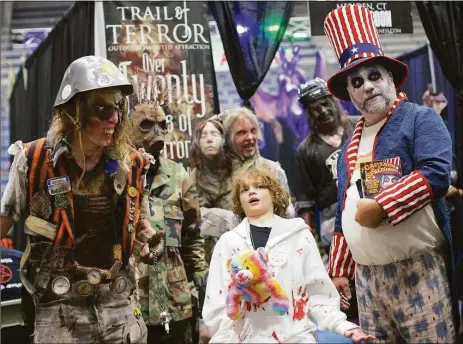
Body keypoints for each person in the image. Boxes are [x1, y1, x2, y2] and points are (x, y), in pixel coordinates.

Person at [0, 56, 163, 343]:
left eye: (117, 107)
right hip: (58, 304)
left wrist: (147, 238)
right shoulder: (34, 160)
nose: (113, 119)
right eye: (101, 109)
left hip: (119, 302)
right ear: (73, 112)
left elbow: (140, 224)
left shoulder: (134, 164)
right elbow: (3, 222)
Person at [324, 5, 459, 343]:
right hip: (367, 280)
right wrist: (339, 270)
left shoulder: (419, 119)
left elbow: (436, 174)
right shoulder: (347, 148)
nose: (367, 86)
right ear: (350, 94)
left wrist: (382, 206)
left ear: (389, 79)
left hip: (417, 270)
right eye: (357, 82)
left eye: (374, 76)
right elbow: (345, 211)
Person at [202, 168, 374, 343]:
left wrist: (344, 326)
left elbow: (318, 292)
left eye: (259, 186)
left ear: (274, 194)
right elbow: (216, 301)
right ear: (239, 200)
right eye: (245, 190)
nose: (251, 191)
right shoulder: (228, 242)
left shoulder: (298, 235)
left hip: (296, 337)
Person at [129, 101, 209, 344]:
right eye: (146, 125)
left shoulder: (178, 175)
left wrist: (203, 281)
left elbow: (193, 235)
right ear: (129, 129)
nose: (157, 133)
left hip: (174, 301)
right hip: (131, 301)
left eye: (163, 125)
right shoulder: (119, 176)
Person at [295, 78, 356, 253]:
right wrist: (308, 244)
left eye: (325, 104)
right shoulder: (305, 151)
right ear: (308, 114)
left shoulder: (360, 126)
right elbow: (305, 204)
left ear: (334, 102)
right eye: (315, 109)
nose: (323, 111)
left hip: (370, 210)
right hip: (334, 226)